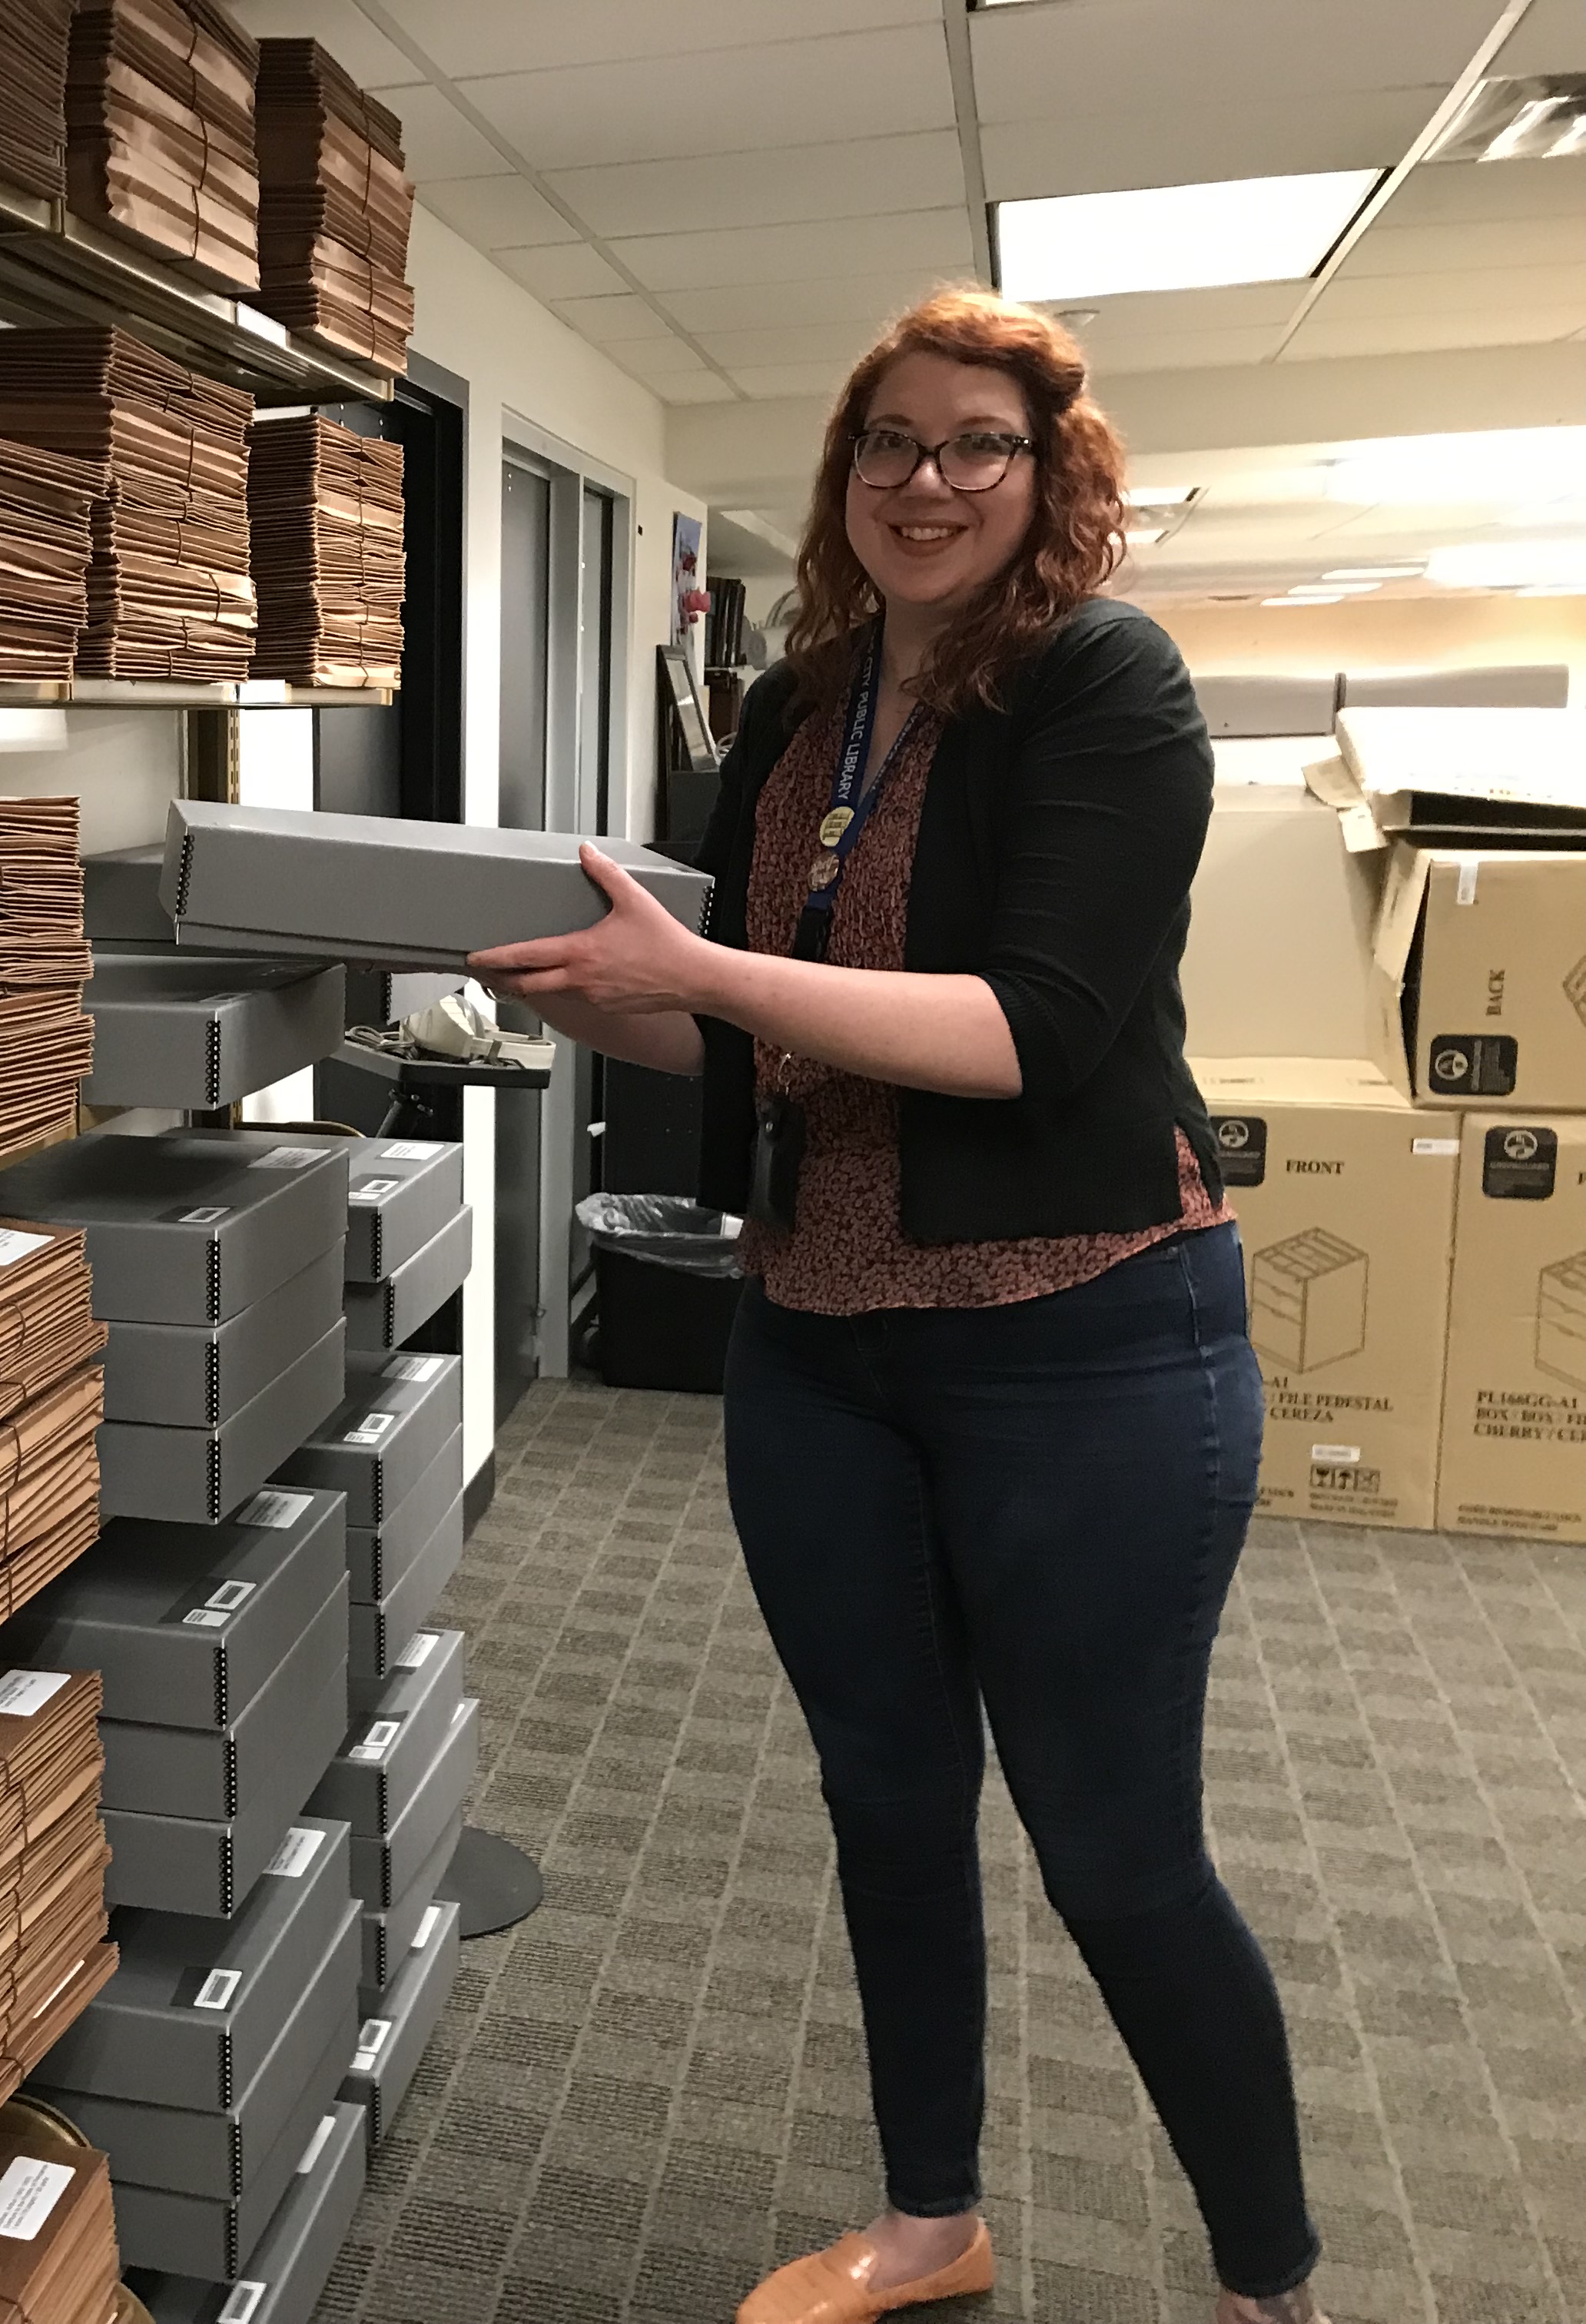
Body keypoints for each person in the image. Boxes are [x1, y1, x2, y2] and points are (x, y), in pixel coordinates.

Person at [469, 287, 1324, 2324]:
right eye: (887, 444)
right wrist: (595, 1005)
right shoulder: (793, 705)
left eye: (974, 446)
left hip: (1089, 1341)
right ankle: (932, 2223)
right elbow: (762, 1047)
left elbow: (1032, 1032)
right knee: (887, 1802)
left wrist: (701, 978)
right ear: (841, 475)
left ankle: (1271, 2283)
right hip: (821, 1345)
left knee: (1118, 1854)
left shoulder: (1109, 684)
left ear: (1050, 484)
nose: (923, 481)